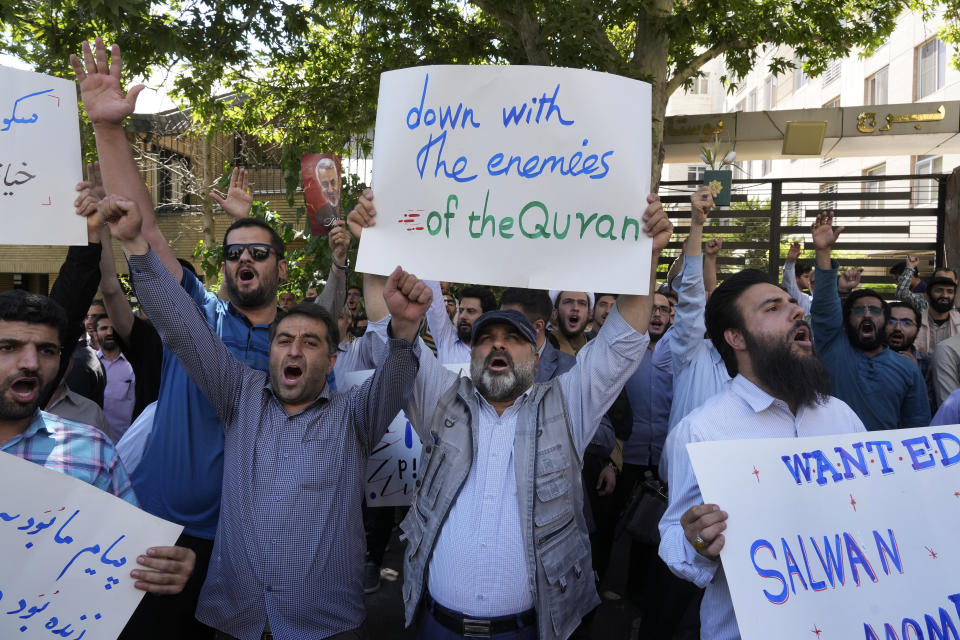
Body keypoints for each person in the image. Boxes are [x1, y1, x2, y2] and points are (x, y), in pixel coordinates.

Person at [69, 37, 350, 639]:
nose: (242, 258)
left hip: (244, 552)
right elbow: (143, 228)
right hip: (157, 531)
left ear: (281, 263)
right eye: (232, 252)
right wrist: (109, 131)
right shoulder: (195, 319)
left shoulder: (296, 347)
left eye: (258, 251)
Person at [104, 192, 430, 640]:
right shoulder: (239, 394)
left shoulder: (354, 416)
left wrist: (406, 328)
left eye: (311, 342)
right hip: (236, 622)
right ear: (269, 352)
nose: (294, 349)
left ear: (332, 361)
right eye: (284, 340)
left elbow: (395, 376)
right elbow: (181, 322)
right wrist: (136, 246)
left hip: (326, 627)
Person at [349, 189, 673, 639]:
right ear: (473, 352)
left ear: (537, 354)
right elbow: (389, 334)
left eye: (513, 337)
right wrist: (373, 246)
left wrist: (645, 256)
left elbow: (621, 341)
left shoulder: (567, 405)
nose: (498, 343)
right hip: (435, 627)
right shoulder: (442, 398)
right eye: (487, 336)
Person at [658, 268, 866, 640]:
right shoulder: (703, 431)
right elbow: (675, 538)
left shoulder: (841, 415)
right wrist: (698, 541)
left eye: (792, 304)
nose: (796, 312)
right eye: (773, 308)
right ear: (736, 337)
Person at [0, 290, 196, 599]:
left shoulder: (91, 449)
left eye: (47, 350)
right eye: (8, 347)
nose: (31, 363)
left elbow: (130, 552)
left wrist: (167, 565)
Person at [810, 212, 930, 430]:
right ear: (847, 321)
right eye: (858, 310)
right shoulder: (832, 346)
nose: (866, 314)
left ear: (886, 320)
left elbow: (917, 427)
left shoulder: (908, 369)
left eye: (874, 310)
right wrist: (823, 251)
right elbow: (825, 305)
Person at [896, 257, 960, 354]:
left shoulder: (957, 317)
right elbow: (901, 294)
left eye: (949, 289)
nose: (944, 295)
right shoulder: (922, 302)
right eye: (939, 288)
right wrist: (910, 268)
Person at [94, 314, 136, 441]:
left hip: (127, 443)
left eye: (113, 328)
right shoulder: (90, 365)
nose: (109, 332)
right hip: (96, 442)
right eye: (104, 328)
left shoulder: (133, 365)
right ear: (95, 334)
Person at [549, 291, 594, 355]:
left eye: (582, 303)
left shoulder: (596, 349)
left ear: (589, 314)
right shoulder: (542, 345)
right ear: (555, 313)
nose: (575, 308)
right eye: (568, 302)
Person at [781, 241, 812, 315]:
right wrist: (790, 261)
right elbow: (789, 281)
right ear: (795, 278)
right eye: (806, 276)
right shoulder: (793, 295)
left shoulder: (809, 298)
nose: (810, 280)